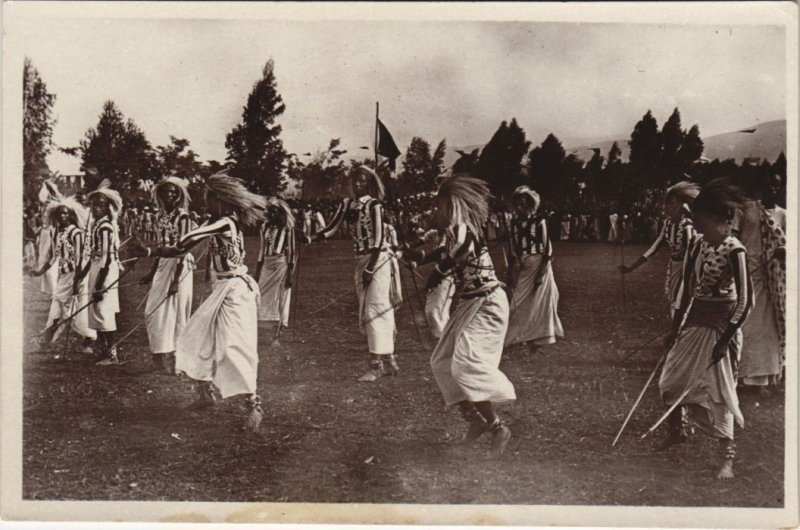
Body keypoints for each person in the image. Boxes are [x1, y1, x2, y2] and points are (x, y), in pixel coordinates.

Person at [129, 172, 266, 432]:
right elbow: (182, 247)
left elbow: (184, 243)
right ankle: (205, 394)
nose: (206, 203)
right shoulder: (219, 221)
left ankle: (254, 404)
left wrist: (149, 250)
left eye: (210, 198)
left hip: (235, 291)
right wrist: (150, 251)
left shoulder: (225, 222)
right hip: (224, 288)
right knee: (196, 337)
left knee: (234, 347)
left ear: (222, 200)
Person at [404, 175, 515, 457]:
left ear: (451, 206)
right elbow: (444, 251)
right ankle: (475, 421)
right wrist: (419, 257)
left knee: (465, 362)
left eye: (441, 207)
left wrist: (439, 272)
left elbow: (461, 249)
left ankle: (498, 427)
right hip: (470, 304)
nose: (437, 212)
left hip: (487, 303)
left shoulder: (465, 228)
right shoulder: (455, 232)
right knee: (441, 361)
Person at [656, 178, 753, 480]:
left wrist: (724, 340)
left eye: (697, 215)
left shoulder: (734, 249)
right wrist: (675, 327)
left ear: (711, 216)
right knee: (670, 381)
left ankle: (726, 459)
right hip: (694, 323)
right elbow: (687, 291)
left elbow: (746, 302)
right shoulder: (697, 244)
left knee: (720, 393)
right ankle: (679, 430)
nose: (692, 220)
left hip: (721, 329)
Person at [311, 166, 402, 382]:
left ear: (369, 183)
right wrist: (310, 238)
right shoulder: (347, 204)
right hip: (361, 260)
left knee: (375, 308)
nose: (357, 185)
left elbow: (379, 240)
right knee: (373, 307)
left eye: (361, 181)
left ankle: (376, 364)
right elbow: (332, 227)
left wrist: (371, 267)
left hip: (377, 259)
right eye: (355, 181)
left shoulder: (375, 206)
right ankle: (388, 359)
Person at [731, 176, 786, 390]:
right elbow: (734, 239)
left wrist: (780, 252)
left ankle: (764, 377)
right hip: (745, 270)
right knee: (746, 321)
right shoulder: (743, 209)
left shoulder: (780, 214)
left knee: (767, 324)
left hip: (769, 276)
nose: (772, 188)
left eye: (776, 184)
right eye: (768, 183)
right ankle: (742, 375)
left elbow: (787, 243)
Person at [139, 177, 195, 374]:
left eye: (173, 192)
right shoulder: (158, 217)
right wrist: (151, 272)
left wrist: (176, 281)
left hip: (181, 266)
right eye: (166, 192)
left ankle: (176, 357)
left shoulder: (183, 217)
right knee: (152, 311)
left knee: (178, 313)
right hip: (164, 264)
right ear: (160, 195)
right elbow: (162, 248)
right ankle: (159, 353)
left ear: (178, 195)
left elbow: (183, 249)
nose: (170, 195)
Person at [619, 181, 699, 318]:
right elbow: (654, 248)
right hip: (674, 267)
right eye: (666, 203)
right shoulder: (668, 224)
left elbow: (694, 253)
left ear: (681, 205)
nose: (667, 207)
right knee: (674, 301)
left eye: (671, 203)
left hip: (688, 269)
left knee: (681, 301)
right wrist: (631, 268)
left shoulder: (687, 226)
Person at [27, 196, 97, 352]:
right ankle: (47, 339)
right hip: (63, 276)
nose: (63, 216)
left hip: (78, 274)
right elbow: (53, 257)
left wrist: (78, 279)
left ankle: (88, 341)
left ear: (71, 215)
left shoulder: (77, 233)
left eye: (65, 213)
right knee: (57, 304)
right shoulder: (56, 233)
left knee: (81, 306)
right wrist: (40, 271)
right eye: (60, 214)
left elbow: (80, 259)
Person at [505, 186, 564, 351]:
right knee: (518, 301)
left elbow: (548, 251)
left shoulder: (540, 222)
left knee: (540, 301)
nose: (519, 208)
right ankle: (514, 337)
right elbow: (511, 251)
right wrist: (509, 273)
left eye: (523, 204)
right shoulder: (513, 223)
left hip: (539, 265)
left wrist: (541, 274)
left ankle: (538, 339)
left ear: (530, 205)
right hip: (523, 266)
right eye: (517, 204)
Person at [77, 180, 124, 365]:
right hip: (97, 268)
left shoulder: (105, 227)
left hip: (106, 271)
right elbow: (93, 256)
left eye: (101, 205)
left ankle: (111, 354)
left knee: (104, 310)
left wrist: (99, 285)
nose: (96, 208)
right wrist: (82, 275)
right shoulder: (96, 225)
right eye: (94, 205)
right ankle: (105, 351)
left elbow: (106, 258)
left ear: (108, 208)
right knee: (96, 310)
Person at [255, 197, 297, 333]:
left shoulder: (287, 227)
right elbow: (262, 249)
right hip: (267, 263)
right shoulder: (264, 226)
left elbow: (292, 251)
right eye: (269, 211)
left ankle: (279, 326)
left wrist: (290, 272)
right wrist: (257, 270)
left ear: (279, 212)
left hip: (281, 262)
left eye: (274, 211)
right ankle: (265, 322)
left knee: (282, 294)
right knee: (262, 291)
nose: (271, 214)